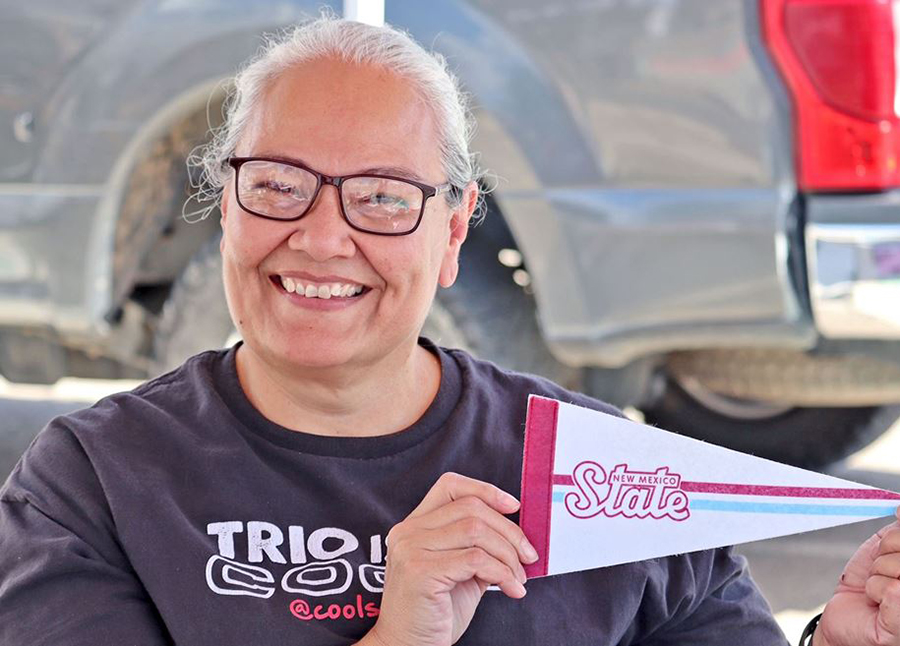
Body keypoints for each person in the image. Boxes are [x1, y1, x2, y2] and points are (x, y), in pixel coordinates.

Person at [1, 15, 899, 646]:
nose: (321, 236)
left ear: (455, 230)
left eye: (383, 197)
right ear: (224, 204)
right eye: (277, 183)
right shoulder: (94, 486)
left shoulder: (601, 476)